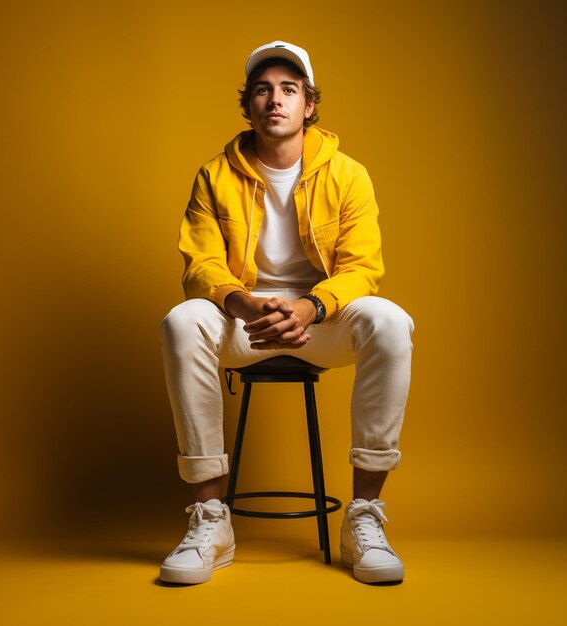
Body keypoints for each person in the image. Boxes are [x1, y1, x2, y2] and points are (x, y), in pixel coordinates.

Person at [159, 41, 414, 585]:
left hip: (321, 324)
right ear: (248, 105)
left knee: (390, 320)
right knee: (181, 321)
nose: (276, 99)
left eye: (289, 90)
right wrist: (244, 301)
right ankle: (210, 518)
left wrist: (310, 305)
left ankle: (364, 516)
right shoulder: (212, 176)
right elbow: (200, 266)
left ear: (309, 105)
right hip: (243, 322)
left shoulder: (348, 175)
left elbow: (362, 269)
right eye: (263, 89)